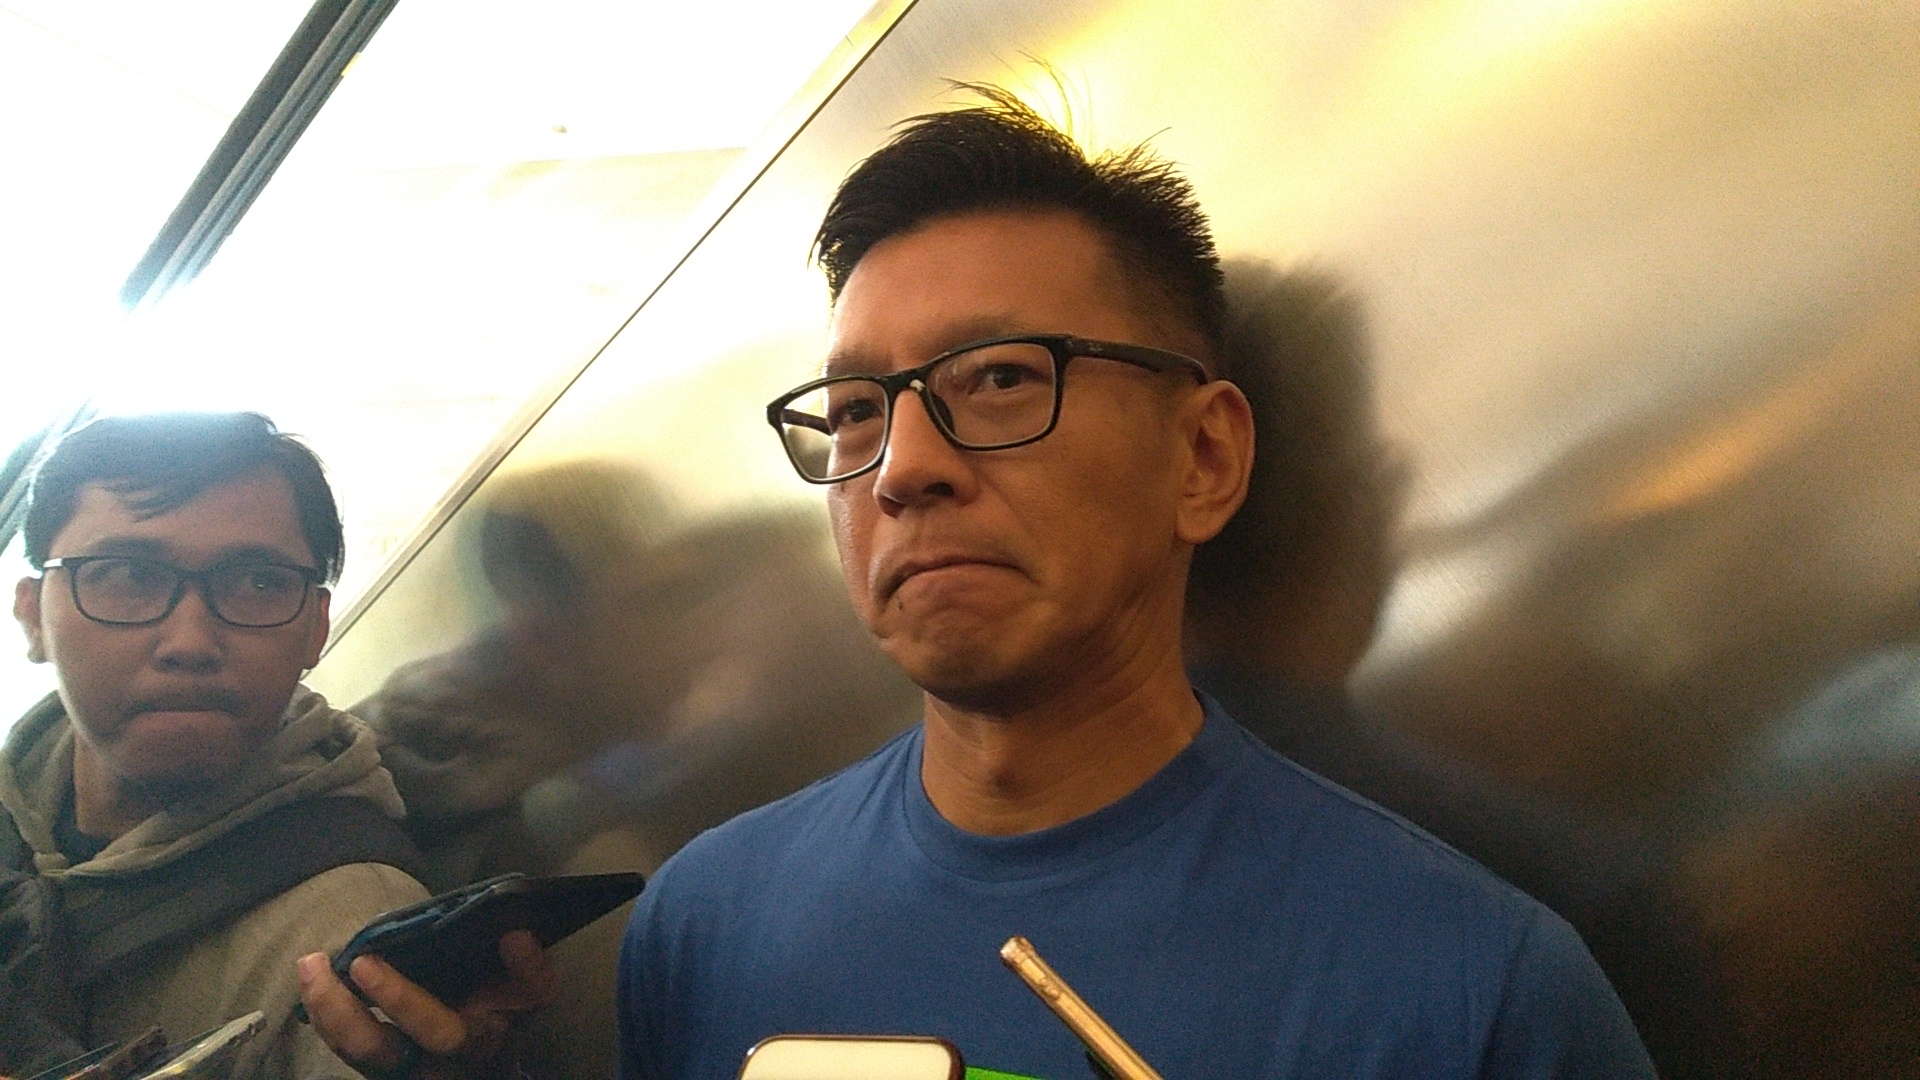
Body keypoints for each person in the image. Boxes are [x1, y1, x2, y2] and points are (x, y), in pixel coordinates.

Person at [303, 88, 1655, 1078]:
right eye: (856, 411)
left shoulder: (1471, 992)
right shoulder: (708, 916)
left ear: (1203, 457)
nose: (903, 468)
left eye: (1002, 378)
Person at [0, 412, 432, 1078]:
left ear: (316, 628)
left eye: (257, 583)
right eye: (127, 575)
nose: (189, 643)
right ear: (33, 616)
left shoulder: (353, 937)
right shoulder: (15, 810)